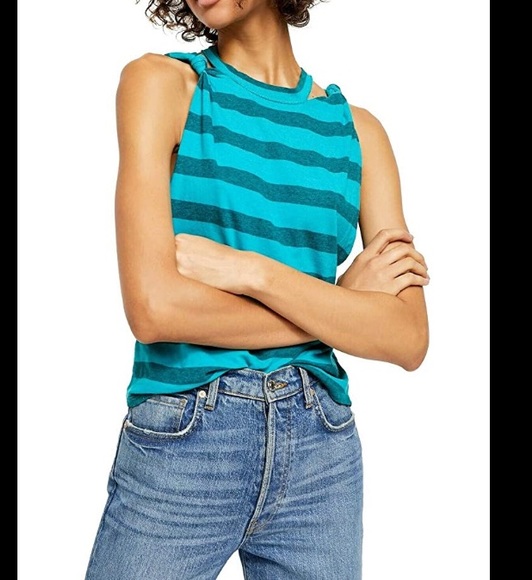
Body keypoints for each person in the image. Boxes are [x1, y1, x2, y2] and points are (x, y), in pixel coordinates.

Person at [84, 0, 430, 578]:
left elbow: (408, 338)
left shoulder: (359, 133)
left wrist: (255, 273)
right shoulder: (163, 86)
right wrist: (340, 304)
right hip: (185, 437)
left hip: (322, 451)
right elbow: (154, 309)